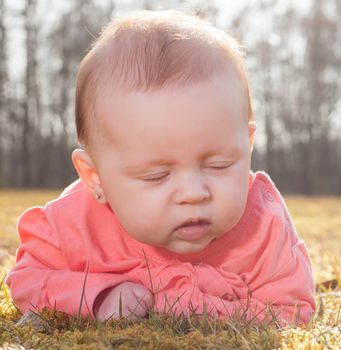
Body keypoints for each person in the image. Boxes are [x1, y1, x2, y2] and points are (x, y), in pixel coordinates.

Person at [6, 10, 315, 325]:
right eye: (157, 175)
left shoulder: (262, 227)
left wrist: (184, 307)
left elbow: (292, 310)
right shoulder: (74, 225)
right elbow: (27, 279)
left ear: (247, 145)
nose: (194, 193)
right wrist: (99, 296)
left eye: (219, 165)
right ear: (95, 177)